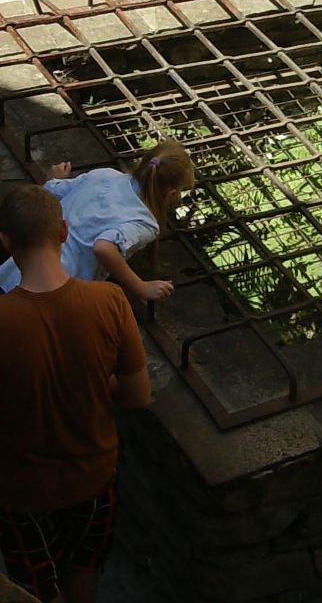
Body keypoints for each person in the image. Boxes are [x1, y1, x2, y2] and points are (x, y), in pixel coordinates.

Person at [0, 184, 151, 603]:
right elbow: (139, 395)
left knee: (38, 588)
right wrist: (89, 381)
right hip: (94, 474)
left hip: (20, 488)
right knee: (84, 567)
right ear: (64, 231)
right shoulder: (110, 301)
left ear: (6, 241)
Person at [0, 140, 195, 303]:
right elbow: (103, 247)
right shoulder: (145, 222)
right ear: (171, 194)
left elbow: (49, 192)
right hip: (57, 286)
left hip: (22, 266)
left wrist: (55, 179)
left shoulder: (106, 174)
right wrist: (141, 287)